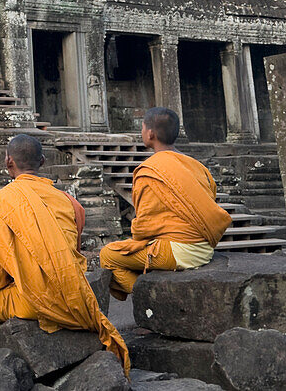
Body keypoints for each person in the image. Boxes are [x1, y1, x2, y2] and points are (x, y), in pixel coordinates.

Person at [0, 133, 129, 373]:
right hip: (75, 297)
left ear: (8, 162)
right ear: (42, 161)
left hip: (32, 300)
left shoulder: (2, 202)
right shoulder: (70, 202)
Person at [99, 107, 232, 300]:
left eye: (143, 128)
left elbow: (144, 226)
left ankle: (152, 298)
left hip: (179, 252)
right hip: (204, 248)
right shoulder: (197, 166)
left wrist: (137, 240)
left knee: (108, 255)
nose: (142, 132)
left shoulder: (150, 170)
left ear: (150, 133)